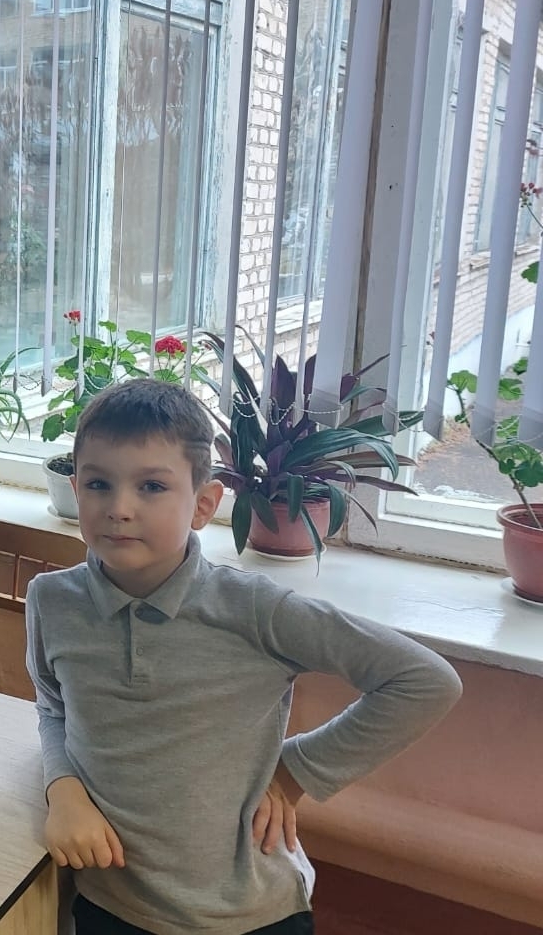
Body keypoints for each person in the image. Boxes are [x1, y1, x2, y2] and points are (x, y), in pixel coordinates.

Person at [25, 378, 461, 935]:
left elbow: (424, 680)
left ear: (204, 504)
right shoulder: (52, 600)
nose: (119, 508)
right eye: (98, 484)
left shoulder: (254, 609)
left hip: (250, 913)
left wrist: (296, 770)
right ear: (74, 488)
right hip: (112, 903)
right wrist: (62, 788)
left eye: (152, 486)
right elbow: (54, 707)